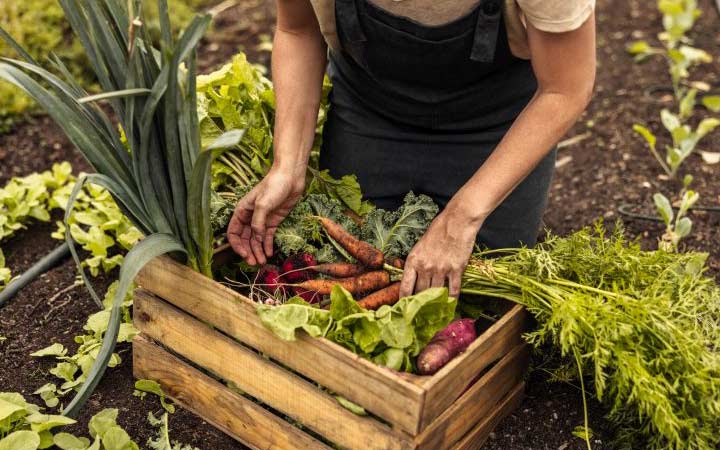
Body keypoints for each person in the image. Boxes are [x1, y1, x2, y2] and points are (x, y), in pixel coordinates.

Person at [228, 0, 596, 299]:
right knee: (346, 279)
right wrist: (287, 166)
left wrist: (461, 218)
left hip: (496, 124)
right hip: (371, 112)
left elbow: (565, 90)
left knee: (482, 303)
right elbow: (297, 29)